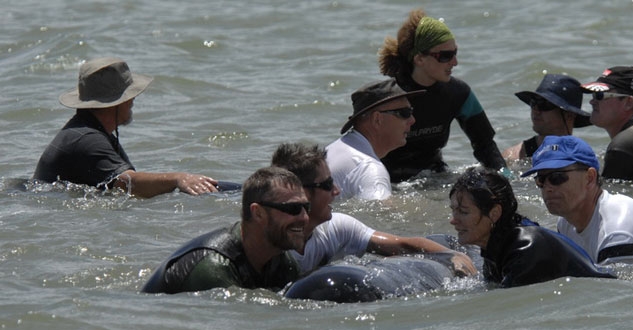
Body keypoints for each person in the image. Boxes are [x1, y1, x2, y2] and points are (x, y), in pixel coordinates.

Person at [270, 143, 477, 276]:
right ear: (300, 192)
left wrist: (452, 255)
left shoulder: (336, 227)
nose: (336, 190)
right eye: (326, 185)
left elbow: (400, 244)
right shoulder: (270, 245)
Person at [33, 57, 222, 198]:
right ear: (114, 103)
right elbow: (129, 184)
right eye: (129, 96)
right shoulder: (87, 140)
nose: (133, 100)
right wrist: (178, 179)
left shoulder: (88, 131)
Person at [522, 135, 633, 265]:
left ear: (589, 178)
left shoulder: (617, 230)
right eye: (540, 179)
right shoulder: (565, 225)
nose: (547, 187)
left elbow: (619, 303)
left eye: (556, 177)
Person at [378, 8, 507, 182]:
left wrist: (508, 178)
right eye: (445, 56)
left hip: (436, 178)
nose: (455, 62)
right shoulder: (386, 97)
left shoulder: (459, 93)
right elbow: (359, 151)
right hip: (389, 183)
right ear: (419, 59)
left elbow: (485, 146)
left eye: (455, 53)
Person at [140, 167, 308, 294]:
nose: (304, 218)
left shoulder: (279, 259)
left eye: (306, 207)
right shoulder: (212, 268)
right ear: (258, 213)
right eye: (293, 209)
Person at [449, 167, 615, 288]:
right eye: (453, 211)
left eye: (463, 212)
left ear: (494, 213)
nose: (453, 221)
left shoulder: (526, 248)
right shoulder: (496, 245)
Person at [327, 79, 424, 201]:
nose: (412, 120)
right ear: (377, 119)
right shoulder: (369, 168)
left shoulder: (334, 149)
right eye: (405, 113)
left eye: (411, 111)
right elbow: (381, 213)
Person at [502, 74, 592, 162]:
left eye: (544, 104)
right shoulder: (513, 157)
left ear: (569, 115)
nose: (536, 110)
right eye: (534, 103)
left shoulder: (583, 158)